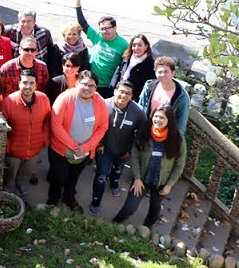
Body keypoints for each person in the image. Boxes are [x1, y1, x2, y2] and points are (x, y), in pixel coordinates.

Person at [112, 104, 187, 227]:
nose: (158, 120)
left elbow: (179, 164)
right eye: (156, 116)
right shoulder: (144, 132)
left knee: (155, 206)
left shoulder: (178, 139)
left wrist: (169, 184)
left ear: (169, 120)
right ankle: (116, 222)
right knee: (130, 207)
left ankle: (147, 227)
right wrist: (136, 178)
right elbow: (135, 157)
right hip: (142, 178)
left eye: (162, 118)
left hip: (161, 181)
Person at [47, 70, 108, 210]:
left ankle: (69, 197)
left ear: (96, 88)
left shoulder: (99, 101)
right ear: (77, 83)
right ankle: (53, 199)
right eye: (84, 84)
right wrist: (74, 146)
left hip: (84, 152)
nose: (87, 88)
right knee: (58, 177)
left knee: (74, 177)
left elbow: (103, 126)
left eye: (91, 86)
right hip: (61, 150)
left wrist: (86, 147)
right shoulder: (65, 98)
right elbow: (56, 125)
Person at [88, 81, 146, 216]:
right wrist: (100, 143)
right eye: (121, 91)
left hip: (123, 151)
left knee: (117, 170)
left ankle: (114, 183)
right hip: (105, 149)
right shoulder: (103, 104)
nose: (123, 96)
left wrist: (131, 149)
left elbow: (141, 134)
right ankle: (95, 202)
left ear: (131, 96)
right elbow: (95, 124)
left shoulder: (138, 112)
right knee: (101, 176)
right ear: (115, 91)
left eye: (128, 93)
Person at [0, 69, 51, 205]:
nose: (28, 86)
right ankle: (9, 201)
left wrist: (44, 138)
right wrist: (7, 146)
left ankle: (22, 196)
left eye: (31, 83)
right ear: (19, 83)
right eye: (25, 82)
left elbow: (47, 120)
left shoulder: (44, 99)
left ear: (36, 85)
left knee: (24, 177)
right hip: (14, 152)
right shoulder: (8, 102)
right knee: (9, 178)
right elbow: (2, 128)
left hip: (34, 149)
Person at [73, 0, 129, 97]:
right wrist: (78, 6)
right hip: (90, 83)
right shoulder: (97, 37)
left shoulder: (124, 44)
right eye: (102, 29)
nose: (104, 31)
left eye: (107, 28)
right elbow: (83, 24)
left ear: (115, 28)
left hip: (107, 86)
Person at [137, 56, 190, 134]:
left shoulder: (181, 96)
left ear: (173, 73)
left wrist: (176, 140)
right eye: (159, 72)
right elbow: (140, 108)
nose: (162, 75)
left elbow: (181, 121)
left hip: (166, 134)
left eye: (166, 72)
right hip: (146, 129)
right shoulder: (149, 87)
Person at [110, 34, 155, 102]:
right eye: (134, 45)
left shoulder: (150, 65)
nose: (136, 48)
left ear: (146, 47)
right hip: (118, 94)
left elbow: (148, 86)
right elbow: (117, 73)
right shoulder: (127, 57)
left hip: (133, 99)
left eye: (140, 45)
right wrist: (111, 90)